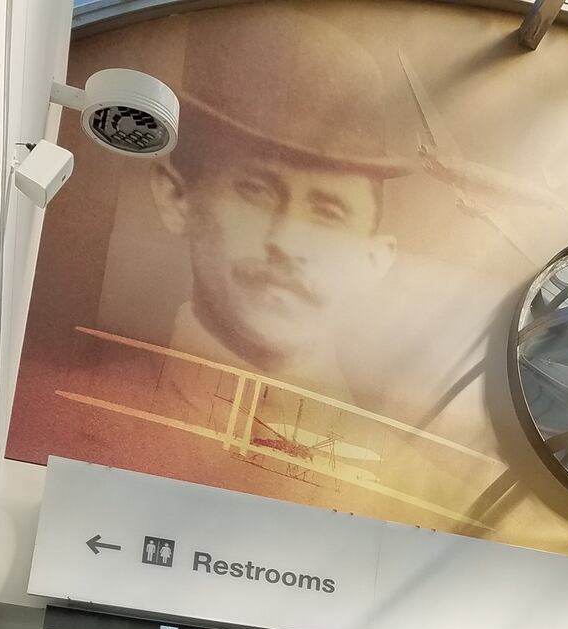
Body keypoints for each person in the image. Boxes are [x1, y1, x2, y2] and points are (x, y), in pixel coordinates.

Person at [147, 7, 404, 446]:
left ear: (373, 260)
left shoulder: (414, 490)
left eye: (329, 214)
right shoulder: (65, 409)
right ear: (177, 199)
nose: (285, 242)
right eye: (255, 193)